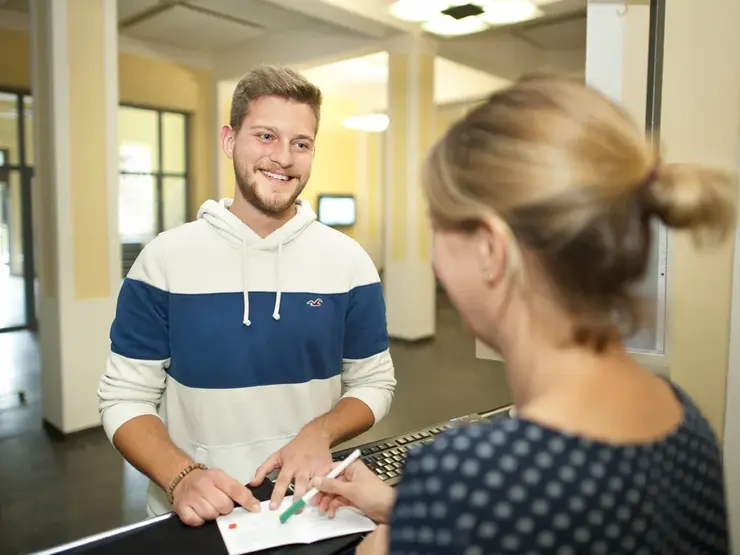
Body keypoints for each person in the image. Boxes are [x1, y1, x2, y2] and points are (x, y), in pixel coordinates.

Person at [309, 74, 734, 554]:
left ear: (491, 248)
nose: (435, 260)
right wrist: (410, 510)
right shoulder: (682, 416)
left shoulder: (469, 478)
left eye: (438, 229)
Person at [97, 65, 396, 526]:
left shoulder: (350, 263)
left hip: (310, 504)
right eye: (265, 136)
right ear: (229, 140)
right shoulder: (164, 260)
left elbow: (374, 382)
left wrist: (320, 431)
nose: (283, 157)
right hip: (196, 512)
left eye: (301, 143)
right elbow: (124, 398)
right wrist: (180, 475)